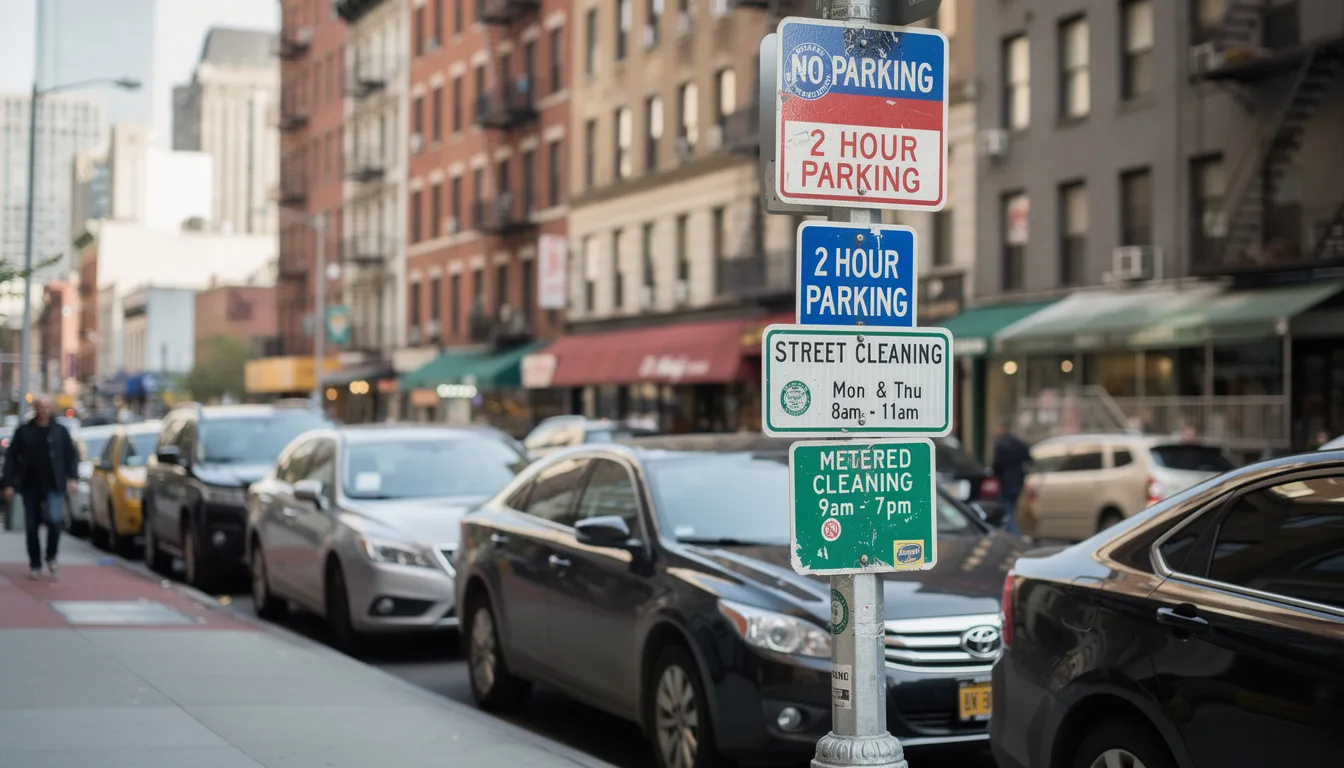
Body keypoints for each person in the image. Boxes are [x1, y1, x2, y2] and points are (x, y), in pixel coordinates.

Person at [1, 394, 80, 579]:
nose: (44, 411)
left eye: (47, 407)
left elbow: (71, 456)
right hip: (30, 485)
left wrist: (73, 478)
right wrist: (9, 484)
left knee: (55, 520)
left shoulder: (60, 431)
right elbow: (11, 459)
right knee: (32, 525)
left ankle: (51, 556)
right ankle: (35, 564)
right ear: (35, 409)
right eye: (40, 407)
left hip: (54, 484)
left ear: (51, 409)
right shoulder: (24, 432)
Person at [990, 420, 1032, 535]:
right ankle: (1013, 531)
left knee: (1008, 509)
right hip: (1018, 480)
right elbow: (1029, 459)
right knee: (1014, 507)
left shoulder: (1000, 445)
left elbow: (997, 465)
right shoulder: (1019, 444)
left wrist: (996, 476)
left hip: (1006, 482)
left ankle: (1013, 532)